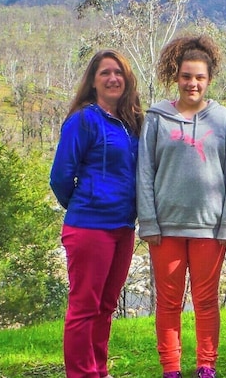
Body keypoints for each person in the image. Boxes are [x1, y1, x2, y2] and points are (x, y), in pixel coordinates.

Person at [137, 35, 226, 378]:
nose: (192, 83)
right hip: (165, 227)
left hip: (209, 229)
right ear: (176, 76)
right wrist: (148, 221)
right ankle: (171, 368)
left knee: (206, 301)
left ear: (209, 79)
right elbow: (144, 171)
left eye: (199, 77)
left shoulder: (223, 119)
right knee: (168, 303)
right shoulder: (157, 117)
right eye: (186, 76)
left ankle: (205, 366)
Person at [50, 49, 144, 378]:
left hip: (123, 227)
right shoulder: (83, 120)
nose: (113, 78)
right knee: (84, 308)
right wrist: (86, 203)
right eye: (105, 72)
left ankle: (99, 370)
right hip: (90, 228)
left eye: (118, 72)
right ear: (93, 81)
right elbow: (60, 177)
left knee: (105, 307)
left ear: (127, 79)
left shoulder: (132, 124)